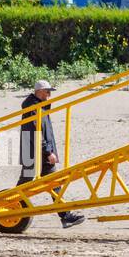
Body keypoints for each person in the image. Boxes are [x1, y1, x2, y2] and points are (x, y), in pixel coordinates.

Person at [18, 81, 84, 228]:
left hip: (37, 153)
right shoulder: (33, 108)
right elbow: (36, 133)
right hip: (33, 154)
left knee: (54, 184)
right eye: (47, 92)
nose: (49, 95)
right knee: (23, 187)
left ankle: (65, 216)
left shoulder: (40, 106)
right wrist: (48, 152)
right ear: (40, 92)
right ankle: (9, 208)